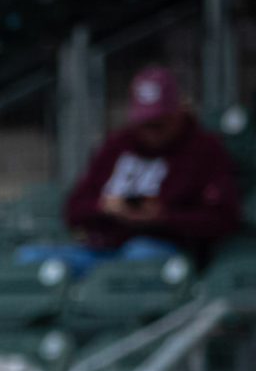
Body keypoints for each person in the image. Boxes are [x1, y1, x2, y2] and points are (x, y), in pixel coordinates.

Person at [28, 66, 243, 276]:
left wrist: (164, 217)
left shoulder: (204, 149)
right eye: (145, 122)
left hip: (164, 253)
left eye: (158, 123)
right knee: (31, 257)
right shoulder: (118, 144)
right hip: (103, 248)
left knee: (140, 252)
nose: (151, 131)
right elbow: (73, 209)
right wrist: (106, 207)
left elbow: (223, 219)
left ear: (178, 111)